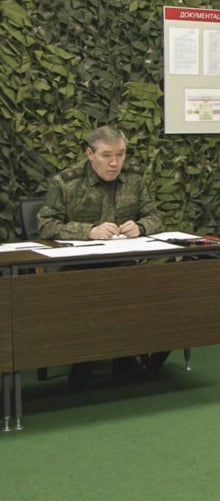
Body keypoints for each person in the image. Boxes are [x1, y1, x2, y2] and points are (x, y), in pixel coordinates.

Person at [36, 125, 170, 388]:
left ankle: (137, 359)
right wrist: (88, 231)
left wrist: (141, 227)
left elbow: (155, 216)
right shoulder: (65, 183)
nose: (114, 163)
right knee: (98, 291)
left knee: (154, 287)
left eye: (120, 154)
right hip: (77, 268)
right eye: (107, 155)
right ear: (90, 154)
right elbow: (46, 225)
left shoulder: (135, 180)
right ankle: (91, 360)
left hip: (124, 263)